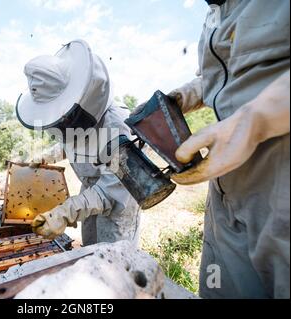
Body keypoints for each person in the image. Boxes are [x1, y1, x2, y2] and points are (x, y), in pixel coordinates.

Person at [136, 0, 289, 298]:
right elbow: (222, 78)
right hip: (226, 186)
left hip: (281, 184)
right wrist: (184, 95)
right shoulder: (214, 16)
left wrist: (258, 118)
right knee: (222, 287)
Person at [15, 39, 141, 246]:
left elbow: (116, 187)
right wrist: (48, 156)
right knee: (90, 249)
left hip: (119, 200)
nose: (63, 121)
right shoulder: (76, 121)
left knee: (114, 263)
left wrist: (66, 212)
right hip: (89, 191)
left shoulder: (116, 125)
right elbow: (74, 140)